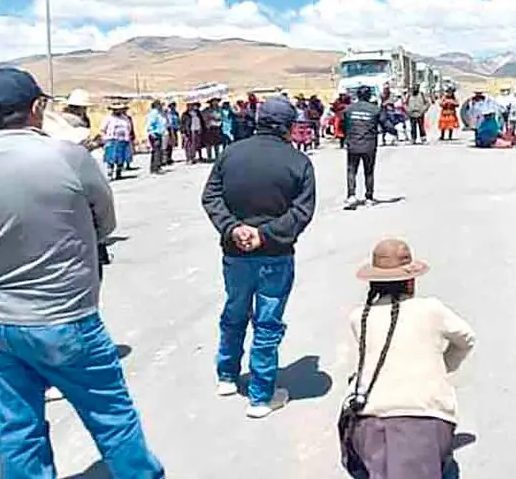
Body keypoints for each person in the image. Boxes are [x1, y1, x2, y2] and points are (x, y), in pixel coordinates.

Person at [0, 68, 164, 478]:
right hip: (65, 318)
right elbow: (105, 223)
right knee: (111, 416)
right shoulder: (67, 157)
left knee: (18, 427)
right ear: (37, 107)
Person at [201, 96, 317, 419]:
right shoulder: (298, 163)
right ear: (288, 126)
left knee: (234, 311)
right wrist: (264, 234)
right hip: (276, 256)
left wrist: (234, 229)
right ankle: (260, 396)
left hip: (235, 254)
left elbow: (210, 196)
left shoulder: (230, 154)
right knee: (267, 322)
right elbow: (301, 213)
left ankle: (226, 375)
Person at [342, 239, 476, 479]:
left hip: (369, 423)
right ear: (411, 281)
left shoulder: (359, 317)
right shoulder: (431, 309)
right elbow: (466, 338)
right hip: (426, 419)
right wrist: (443, 367)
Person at [344, 86, 382, 209]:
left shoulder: (349, 110)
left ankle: (351, 195)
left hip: (353, 144)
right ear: (369, 96)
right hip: (369, 145)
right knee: (369, 171)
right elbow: (384, 123)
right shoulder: (375, 110)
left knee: (351, 170)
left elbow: (345, 125)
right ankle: (369, 197)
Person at [101, 102, 134, 180]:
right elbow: (102, 129)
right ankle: (110, 172)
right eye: (116, 109)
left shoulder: (125, 118)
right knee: (111, 157)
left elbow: (129, 128)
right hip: (112, 139)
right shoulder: (108, 118)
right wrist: (104, 139)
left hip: (123, 140)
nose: (118, 111)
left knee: (121, 157)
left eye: (120, 109)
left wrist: (128, 137)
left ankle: (119, 172)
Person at [145, 100, 167, 174]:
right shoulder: (154, 113)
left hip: (157, 133)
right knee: (157, 151)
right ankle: (156, 167)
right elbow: (150, 123)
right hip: (155, 133)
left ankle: (153, 167)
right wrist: (151, 132)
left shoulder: (158, 113)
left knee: (155, 151)